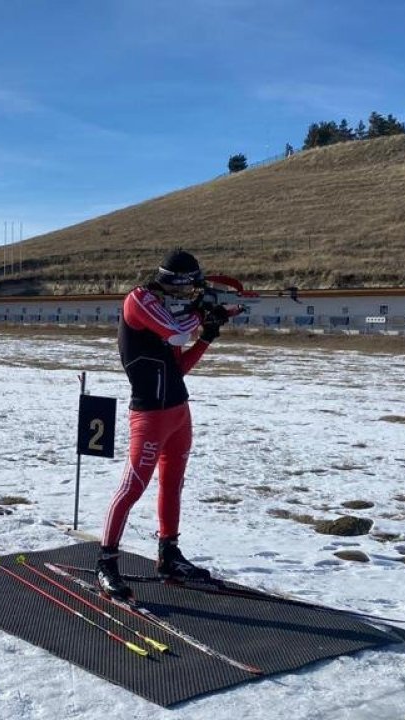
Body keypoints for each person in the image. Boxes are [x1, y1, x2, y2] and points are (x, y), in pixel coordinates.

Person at [95, 249, 240, 601]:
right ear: (175, 282)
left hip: (178, 411)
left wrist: (207, 334)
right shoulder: (140, 300)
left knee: (173, 484)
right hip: (149, 415)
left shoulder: (169, 311)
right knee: (132, 487)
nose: (191, 295)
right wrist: (201, 314)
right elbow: (175, 333)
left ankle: (169, 554)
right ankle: (106, 562)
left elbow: (180, 366)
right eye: (189, 288)